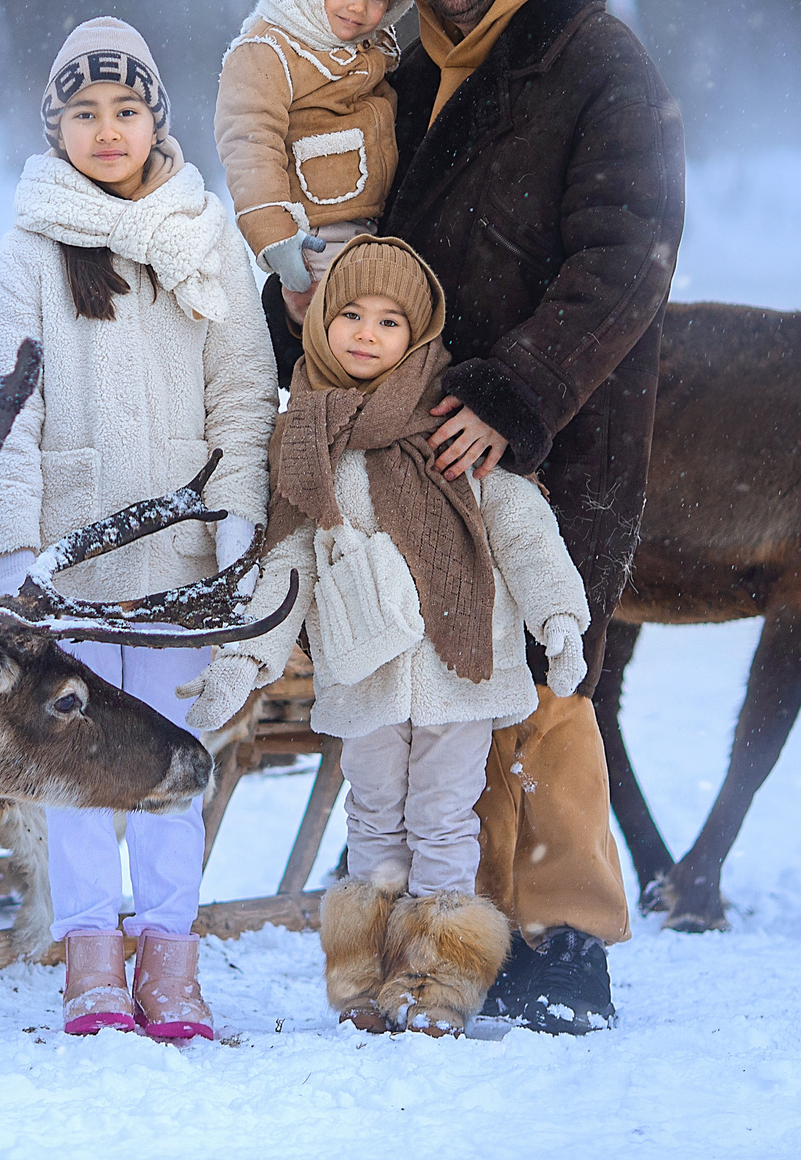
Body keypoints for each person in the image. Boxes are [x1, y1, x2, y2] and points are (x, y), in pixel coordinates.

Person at [261, 0, 685, 1035]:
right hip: (404, 429)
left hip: (554, 430)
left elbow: (631, 254)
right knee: (423, 686)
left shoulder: (592, 60)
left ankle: (559, 944)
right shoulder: (415, 71)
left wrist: (519, 389)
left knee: (549, 689)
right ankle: (435, 940)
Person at [182, 236, 590, 1036]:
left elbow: (521, 526)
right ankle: (367, 980)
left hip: (459, 668)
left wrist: (560, 617)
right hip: (363, 670)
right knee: (371, 817)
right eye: (350, 315)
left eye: (389, 320)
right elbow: (287, 564)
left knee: (442, 817)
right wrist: (246, 660)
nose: (367, 333)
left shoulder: (452, 427)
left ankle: (438, 981)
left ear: (420, 332)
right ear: (322, 323)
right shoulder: (307, 439)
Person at [0, 16, 277, 1042]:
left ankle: (171, 970)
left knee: (173, 767)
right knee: (76, 768)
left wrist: (236, 515)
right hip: (71, 568)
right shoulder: (26, 253)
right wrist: (14, 549)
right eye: (85, 113)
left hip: (181, 567)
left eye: (126, 110)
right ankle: (92, 965)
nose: (107, 131)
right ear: (55, 126)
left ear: (158, 118)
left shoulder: (206, 237)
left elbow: (243, 389)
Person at [211, 0, 413, 317]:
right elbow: (249, 143)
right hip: (314, 236)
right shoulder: (268, 50)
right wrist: (274, 233)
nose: (360, 6)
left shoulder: (370, 49)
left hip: (376, 227)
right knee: (342, 328)